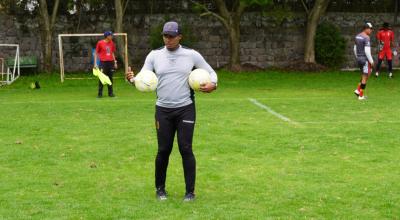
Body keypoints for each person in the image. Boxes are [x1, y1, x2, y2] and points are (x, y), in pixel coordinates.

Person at [126, 21, 218, 201]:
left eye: (171, 36)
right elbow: (144, 78)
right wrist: (132, 79)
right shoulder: (154, 55)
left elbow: (212, 73)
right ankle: (160, 189)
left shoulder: (191, 55)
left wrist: (213, 84)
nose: (167, 39)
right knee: (163, 150)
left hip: (185, 109)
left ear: (179, 37)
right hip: (163, 110)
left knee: (186, 148)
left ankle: (190, 192)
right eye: (165, 36)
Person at [354, 22, 374, 100]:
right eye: (370, 29)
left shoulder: (357, 36)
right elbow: (367, 51)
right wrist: (371, 61)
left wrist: (357, 57)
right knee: (366, 76)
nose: (371, 30)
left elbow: (354, 49)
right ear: (366, 29)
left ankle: (358, 90)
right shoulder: (366, 37)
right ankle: (361, 95)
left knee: (365, 75)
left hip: (359, 58)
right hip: (365, 59)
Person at [94, 31, 117, 98]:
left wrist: (115, 62)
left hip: (110, 63)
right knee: (102, 78)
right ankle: (99, 94)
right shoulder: (100, 43)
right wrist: (95, 63)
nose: (112, 36)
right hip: (103, 63)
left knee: (110, 78)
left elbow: (112, 53)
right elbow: (96, 53)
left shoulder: (112, 43)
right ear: (107, 36)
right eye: (110, 35)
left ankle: (111, 93)